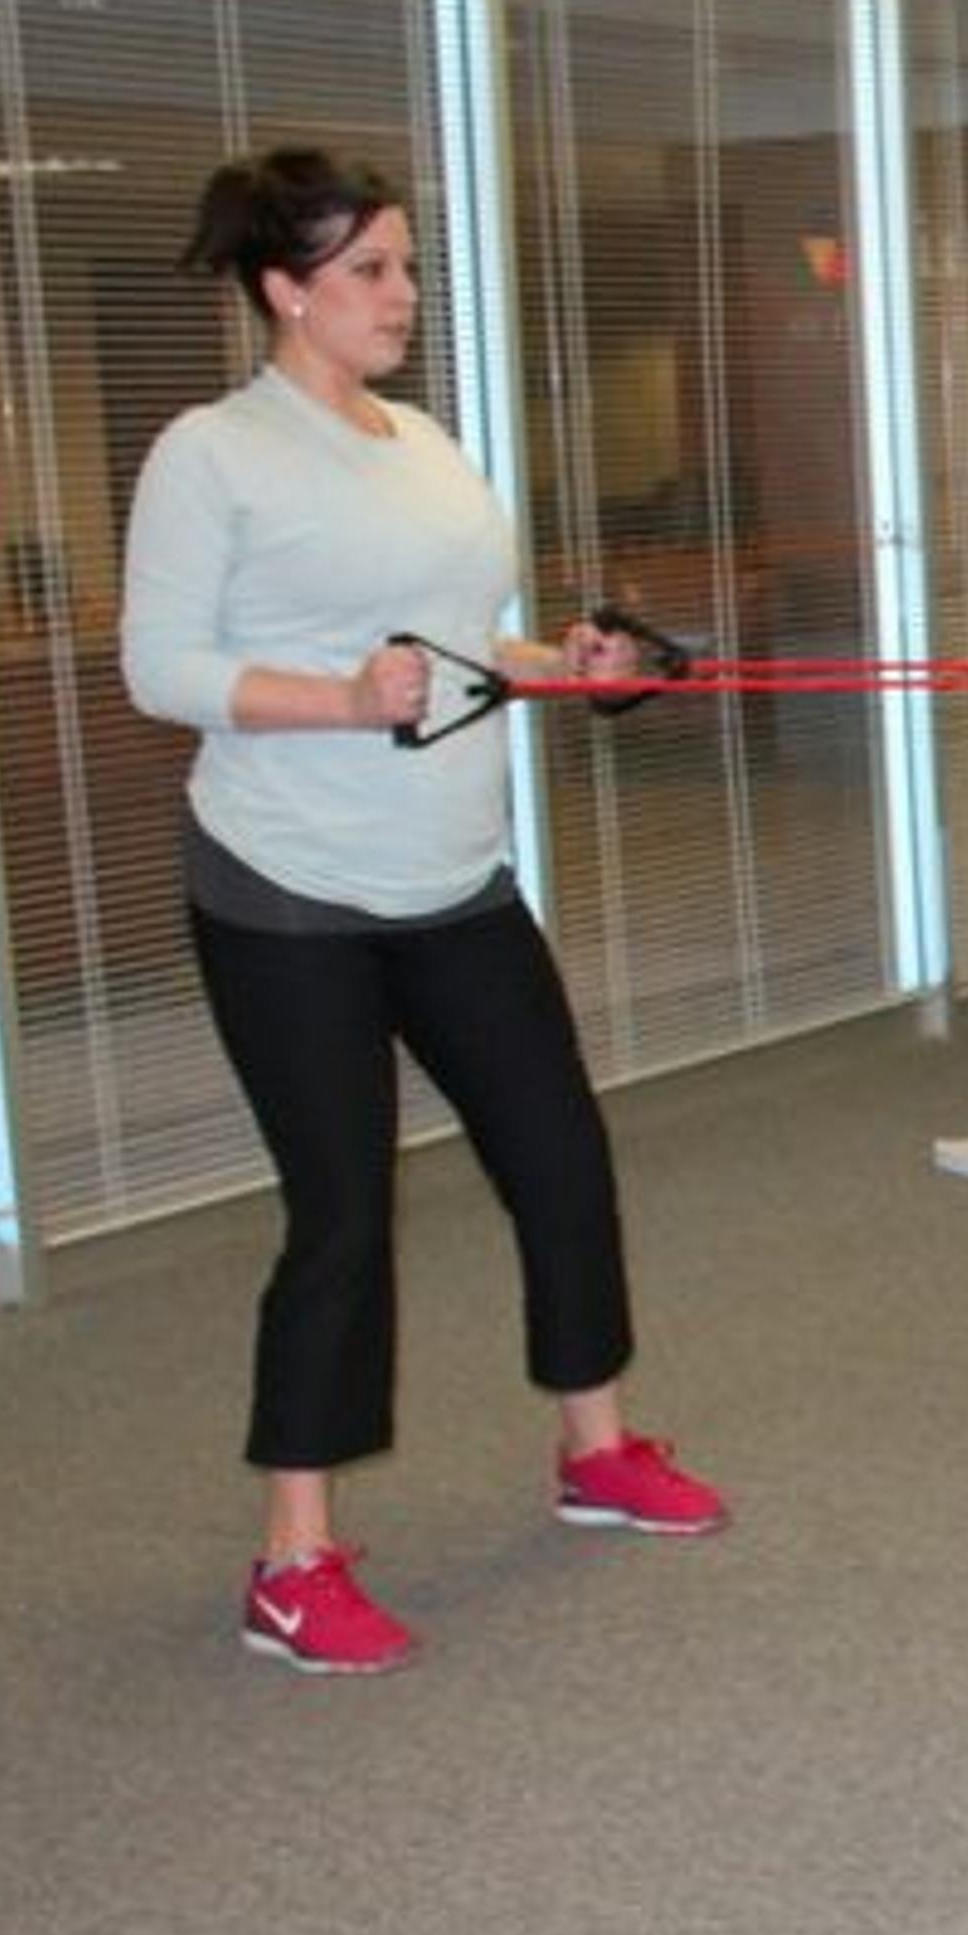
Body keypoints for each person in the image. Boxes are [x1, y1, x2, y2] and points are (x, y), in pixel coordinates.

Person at [123, 148, 731, 1677]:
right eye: (370, 273)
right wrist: (334, 699)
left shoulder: (428, 443)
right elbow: (162, 670)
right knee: (342, 1220)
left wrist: (567, 664)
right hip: (287, 892)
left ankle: (594, 1453)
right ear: (286, 289)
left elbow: (460, 648)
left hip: (455, 881)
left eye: (403, 266)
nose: (401, 296)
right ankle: (293, 1559)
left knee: (561, 1163)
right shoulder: (214, 456)